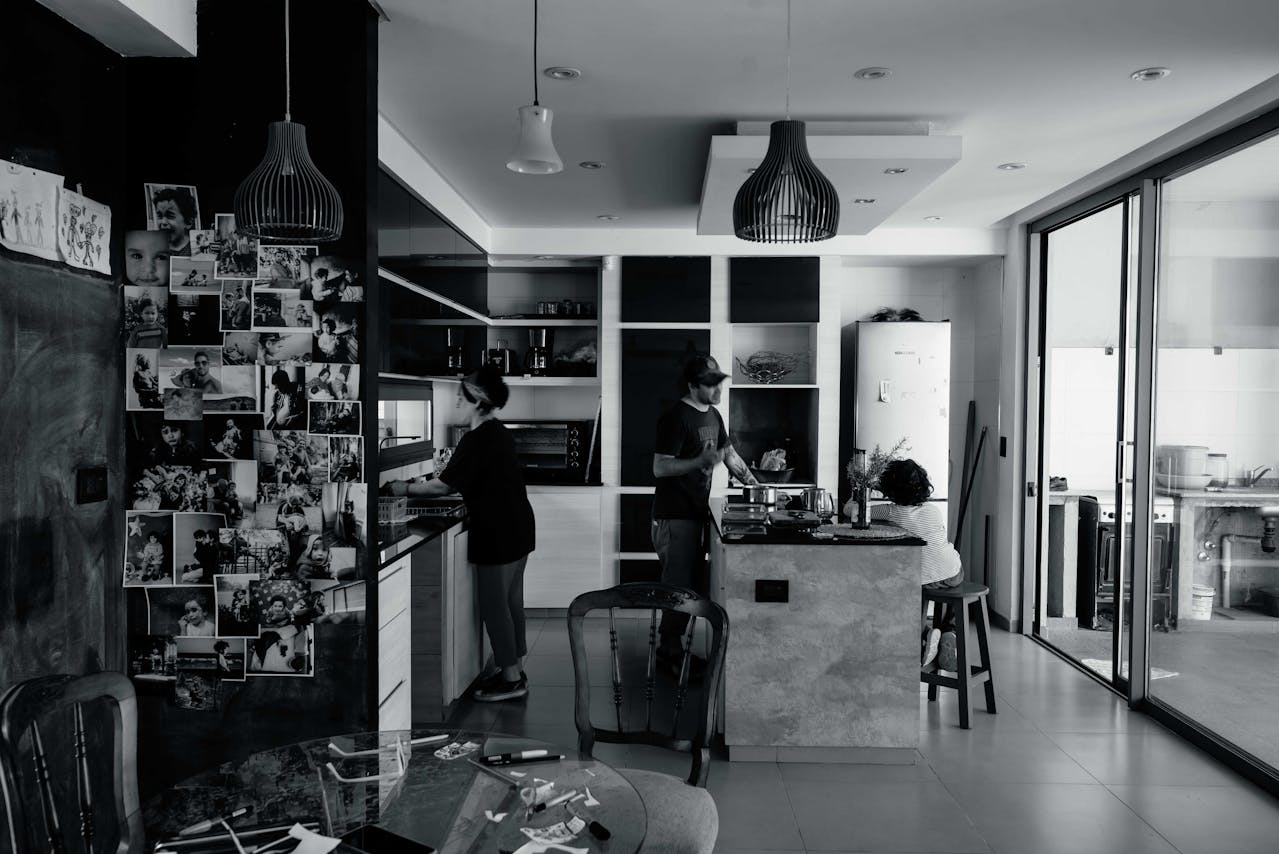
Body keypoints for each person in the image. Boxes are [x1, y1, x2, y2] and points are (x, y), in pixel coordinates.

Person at [389, 364, 535, 702]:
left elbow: (441, 486)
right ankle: (514, 666)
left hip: (498, 531)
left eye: (461, 393)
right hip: (518, 527)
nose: (457, 398)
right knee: (512, 602)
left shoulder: (478, 438)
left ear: (477, 398)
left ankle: (511, 679)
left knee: (494, 605)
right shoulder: (496, 432)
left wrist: (401, 487)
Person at [651, 354, 758, 675]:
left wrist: (756, 486)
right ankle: (668, 653)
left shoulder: (713, 415)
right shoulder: (675, 417)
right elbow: (660, 466)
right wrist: (698, 462)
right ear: (692, 385)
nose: (717, 389)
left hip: (696, 513)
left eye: (719, 382)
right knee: (678, 585)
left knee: (691, 585)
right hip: (674, 515)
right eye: (710, 384)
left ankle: (674, 649)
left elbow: (728, 454)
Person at [869, 459, 964, 669]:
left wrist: (869, 488)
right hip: (950, 572)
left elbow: (852, 510)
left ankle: (925, 635)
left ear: (889, 489)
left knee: (915, 585)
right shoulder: (933, 510)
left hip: (918, 577)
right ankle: (950, 631)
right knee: (948, 579)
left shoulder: (892, 511)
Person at [151, 186, 197, 255]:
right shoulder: (155, 248)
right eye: (160, 216)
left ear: (188, 222)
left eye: (170, 216)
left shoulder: (196, 251)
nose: (163, 222)